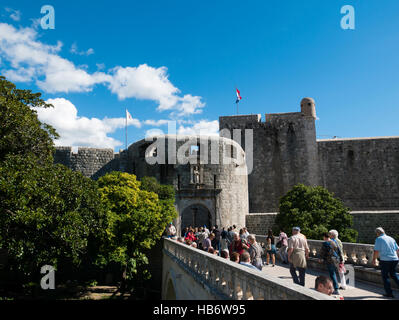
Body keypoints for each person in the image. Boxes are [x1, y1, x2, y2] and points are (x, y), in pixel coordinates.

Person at [372, 227, 399, 298]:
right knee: (394, 275)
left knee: (385, 276)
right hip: (394, 259)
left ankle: (389, 293)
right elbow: (397, 249)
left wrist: (374, 259)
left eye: (376, 234)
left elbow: (376, 251)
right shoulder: (391, 238)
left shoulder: (379, 239)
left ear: (378, 233)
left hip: (385, 260)